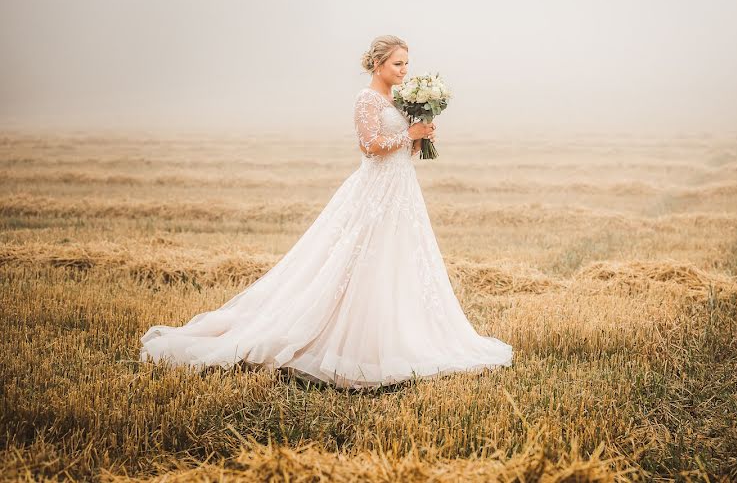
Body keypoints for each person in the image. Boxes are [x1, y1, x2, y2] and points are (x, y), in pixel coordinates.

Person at [140, 35, 513, 389]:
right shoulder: (366, 100)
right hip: (374, 191)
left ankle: (404, 338)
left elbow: (402, 152)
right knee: (360, 261)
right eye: (398, 63)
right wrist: (409, 136)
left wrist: (421, 138)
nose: (404, 70)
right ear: (379, 63)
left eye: (407, 64)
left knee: (400, 261)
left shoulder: (399, 100)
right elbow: (370, 147)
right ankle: (350, 346)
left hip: (402, 192)